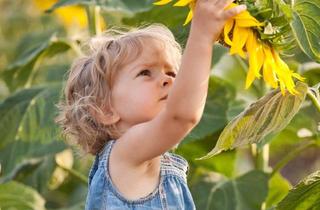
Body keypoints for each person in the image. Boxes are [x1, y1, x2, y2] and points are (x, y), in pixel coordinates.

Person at [56, 0, 246, 209]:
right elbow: (181, 116)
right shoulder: (125, 152)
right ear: (106, 109)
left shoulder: (152, 159)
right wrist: (202, 33)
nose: (169, 80)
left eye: (172, 73)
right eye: (145, 72)